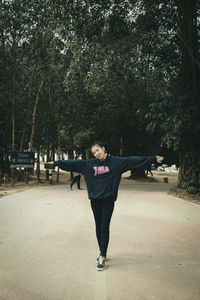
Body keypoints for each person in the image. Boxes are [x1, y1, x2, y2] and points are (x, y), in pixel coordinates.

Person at [48, 142, 164, 271]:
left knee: (104, 226)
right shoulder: (89, 165)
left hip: (108, 200)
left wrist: (153, 159)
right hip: (95, 201)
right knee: (98, 226)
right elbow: (72, 164)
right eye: (94, 152)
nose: (97, 153)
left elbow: (133, 160)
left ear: (103, 149)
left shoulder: (116, 163)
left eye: (98, 150)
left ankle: (102, 256)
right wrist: (56, 163)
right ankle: (101, 250)